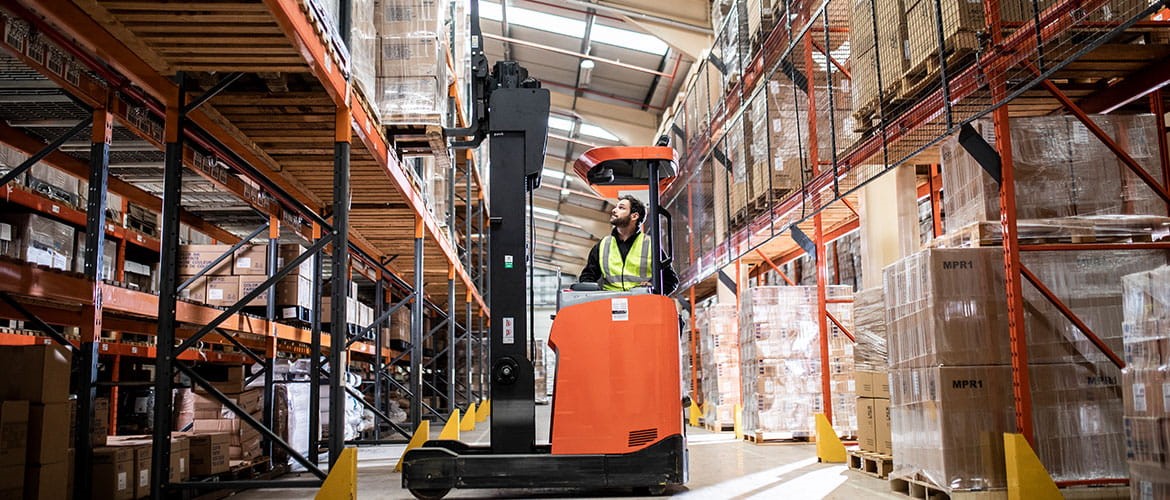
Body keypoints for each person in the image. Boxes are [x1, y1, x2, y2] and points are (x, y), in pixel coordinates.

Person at [578, 195, 678, 295]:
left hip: (641, 304)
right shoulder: (602, 245)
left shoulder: (650, 245)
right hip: (609, 304)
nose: (614, 210)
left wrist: (652, 289)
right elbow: (588, 276)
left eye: (621, 208)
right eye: (616, 207)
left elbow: (671, 280)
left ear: (634, 216)